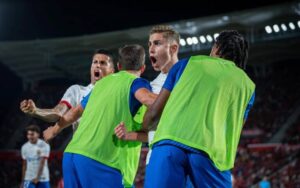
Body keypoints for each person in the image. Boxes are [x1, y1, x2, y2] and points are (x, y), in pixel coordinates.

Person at [143, 30, 256, 188]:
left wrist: (144, 126)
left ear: (216, 48)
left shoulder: (186, 63)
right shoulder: (248, 86)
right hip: (211, 154)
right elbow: (236, 129)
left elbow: (154, 113)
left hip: (169, 145)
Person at [43, 44, 157, 187]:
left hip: (72, 155)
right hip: (102, 161)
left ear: (119, 66)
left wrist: (53, 130)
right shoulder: (136, 83)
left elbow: (75, 112)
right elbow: (148, 99)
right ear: (143, 68)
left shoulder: (100, 85)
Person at [115, 24, 179, 163]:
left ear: (173, 48)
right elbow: (149, 132)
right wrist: (128, 135)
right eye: (149, 44)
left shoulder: (191, 76)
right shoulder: (150, 88)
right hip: (158, 157)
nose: (151, 49)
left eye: (157, 43)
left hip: (191, 155)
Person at [20, 49, 115, 131]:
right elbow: (57, 113)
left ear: (112, 71)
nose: (97, 65)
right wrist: (36, 111)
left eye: (103, 63)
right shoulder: (76, 91)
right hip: (82, 151)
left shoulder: (119, 93)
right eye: (95, 62)